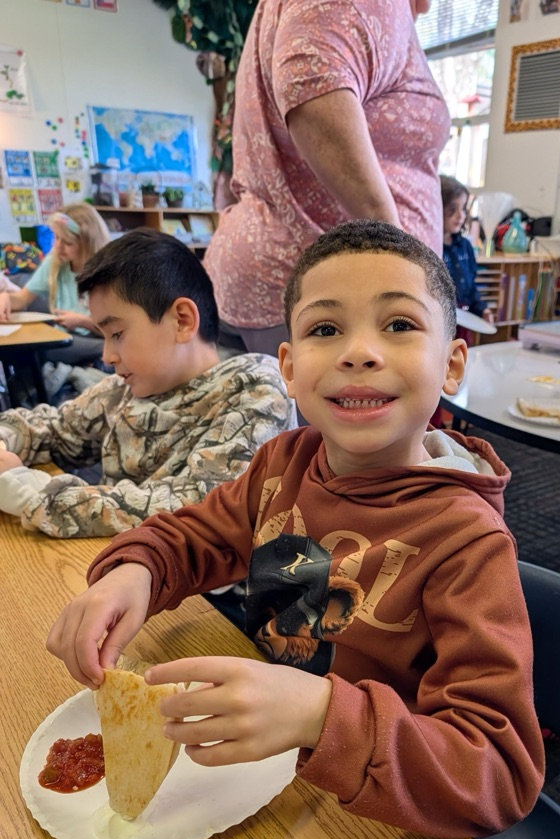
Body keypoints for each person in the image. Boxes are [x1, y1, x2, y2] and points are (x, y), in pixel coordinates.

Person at [46, 220, 544, 839]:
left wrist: (319, 715)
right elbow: (193, 537)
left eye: (399, 324)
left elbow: (496, 774)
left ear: (451, 364)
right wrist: (136, 572)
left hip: (366, 815)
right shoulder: (282, 463)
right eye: (325, 329)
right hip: (254, 773)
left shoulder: (468, 542)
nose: (357, 352)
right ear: (288, 365)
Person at [0, 229, 295, 539]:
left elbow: (198, 507)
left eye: (116, 334)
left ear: (182, 320)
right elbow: (51, 428)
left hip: (209, 585)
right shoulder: (123, 390)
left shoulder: (255, 387)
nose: (107, 356)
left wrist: (27, 490)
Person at [204, 0, 450, 359]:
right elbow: (312, 82)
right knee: (335, 413)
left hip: (313, 288)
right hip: (324, 293)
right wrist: (398, 260)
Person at [0, 204, 111, 394]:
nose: (58, 246)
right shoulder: (55, 263)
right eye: (56, 238)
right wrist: (6, 298)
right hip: (65, 339)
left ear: (87, 242)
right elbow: (22, 299)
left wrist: (83, 322)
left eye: (67, 242)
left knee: (38, 350)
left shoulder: (107, 274)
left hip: (92, 338)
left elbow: (116, 331)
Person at [440, 175, 494, 334]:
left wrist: (482, 309)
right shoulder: (431, 247)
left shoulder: (465, 247)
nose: (460, 215)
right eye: (452, 208)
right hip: (440, 326)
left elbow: (471, 288)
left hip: (464, 324)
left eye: (463, 208)